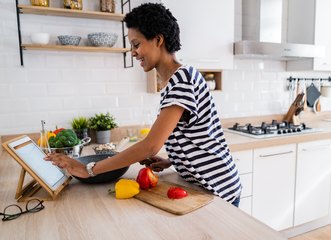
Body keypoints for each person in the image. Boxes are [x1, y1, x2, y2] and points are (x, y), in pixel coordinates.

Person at [45, 3, 242, 206]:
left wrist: (88, 169)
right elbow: (194, 136)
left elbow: (150, 146)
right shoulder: (176, 80)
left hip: (219, 188)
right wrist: (173, 161)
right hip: (204, 186)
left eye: (136, 44)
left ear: (158, 39)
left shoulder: (182, 79)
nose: (133, 52)